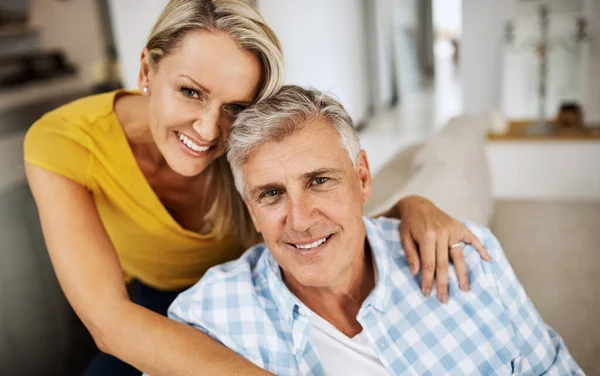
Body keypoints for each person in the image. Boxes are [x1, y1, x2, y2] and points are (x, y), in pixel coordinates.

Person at [24, 1, 488, 375]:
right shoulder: (64, 141)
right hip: (155, 301)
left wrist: (412, 205)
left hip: (260, 291)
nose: (208, 129)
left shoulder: (250, 143)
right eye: (190, 92)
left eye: (235, 106)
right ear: (146, 71)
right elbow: (110, 323)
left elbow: (321, 219)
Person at [169, 85, 583, 375]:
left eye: (319, 181)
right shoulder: (207, 319)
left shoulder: (471, 260)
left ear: (363, 178)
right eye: (272, 194)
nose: (299, 219)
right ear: (251, 211)